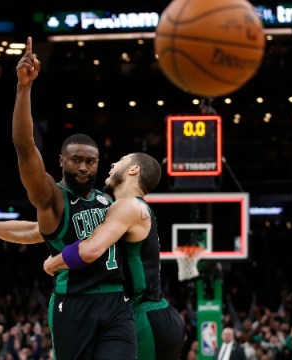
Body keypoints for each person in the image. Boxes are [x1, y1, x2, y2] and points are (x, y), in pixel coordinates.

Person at [10, 36, 136, 359]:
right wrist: (24, 88)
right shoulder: (52, 198)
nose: (83, 166)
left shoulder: (108, 198)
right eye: (76, 160)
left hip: (116, 301)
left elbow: (30, 233)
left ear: (97, 163)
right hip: (75, 303)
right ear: (61, 161)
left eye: (90, 161)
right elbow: (25, 147)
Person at [43, 152, 186, 360]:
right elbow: (54, 231)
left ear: (133, 170)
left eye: (121, 160)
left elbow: (91, 249)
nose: (112, 164)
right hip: (155, 312)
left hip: (143, 313)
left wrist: (53, 263)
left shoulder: (126, 206)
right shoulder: (122, 209)